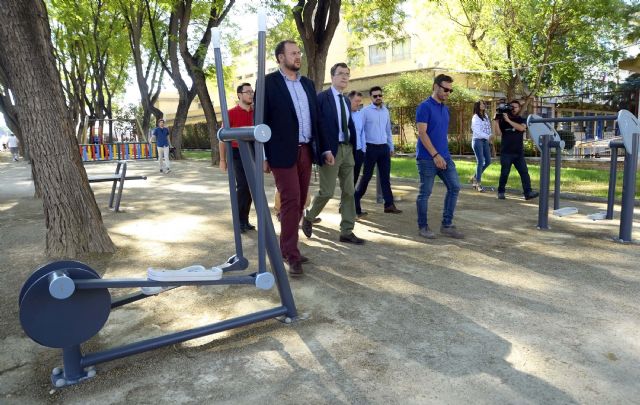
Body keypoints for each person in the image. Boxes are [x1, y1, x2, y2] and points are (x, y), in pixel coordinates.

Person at [263, 40, 334, 276]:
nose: (298, 56)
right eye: (293, 53)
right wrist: (263, 154)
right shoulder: (268, 83)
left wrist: (324, 149)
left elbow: (317, 120)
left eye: (299, 53)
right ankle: (292, 255)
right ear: (280, 58)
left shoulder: (307, 84)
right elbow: (260, 121)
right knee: (291, 199)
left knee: (301, 200)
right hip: (281, 152)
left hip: (305, 151)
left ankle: (286, 247)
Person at [301, 63, 364, 245]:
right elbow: (318, 127)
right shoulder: (322, 98)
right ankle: (309, 215)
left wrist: (354, 146)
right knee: (327, 191)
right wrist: (325, 150)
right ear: (332, 76)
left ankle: (347, 231)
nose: (344, 77)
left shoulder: (345, 100)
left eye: (347, 74)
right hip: (331, 151)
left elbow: (349, 125)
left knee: (349, 191)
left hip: (347, 150)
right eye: (341, 74)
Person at [415, 74, 464, 239]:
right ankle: (423, 227)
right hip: (427, 158)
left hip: (444, 157)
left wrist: (442, 155)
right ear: (436, 86)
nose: (448, 93)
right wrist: (435, 155)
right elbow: (422, 134)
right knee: (425, 193)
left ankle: (447, 225)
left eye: (451, 90)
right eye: (445, 89)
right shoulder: (424, 107)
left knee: (455, 186)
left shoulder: (445, 109)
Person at [354, 86, 402, 216]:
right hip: (370, 148)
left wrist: (391, 147)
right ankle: (354, 202)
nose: (378, 98)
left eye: (380, 95)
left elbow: (388, 131)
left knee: (385, 178)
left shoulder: (386, 111)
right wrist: (362, 148)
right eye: (375, 96)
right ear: (371, 97)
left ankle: (389, 205)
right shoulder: (365, 111)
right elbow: (360, 130)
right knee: (367, 177)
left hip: (384, 149)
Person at [219, 83, 256, 233]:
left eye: (252, 92)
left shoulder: (257, 113)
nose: (251, 94)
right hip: (236, 152)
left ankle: (245, 220)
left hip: (253, 152)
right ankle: (239, 220)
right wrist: (222, 160)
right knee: (242, 186)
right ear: (239, 95)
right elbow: (222, 138)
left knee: (252, 187)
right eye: (247, 92)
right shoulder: (231, 113)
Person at [493, 100, 539, 200]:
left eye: (516, 107)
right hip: (506, 153)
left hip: (518, 153)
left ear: (519, 109)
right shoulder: (502, 121)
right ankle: (501, 192)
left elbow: (522, 129)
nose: (513, 109)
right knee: (504, 173)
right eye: (512, 107)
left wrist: (509, 121)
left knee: (524, 173)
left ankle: (528, 193)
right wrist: (496, 121)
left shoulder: (522, 119)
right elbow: (498, 134)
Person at [470, 100, 492, 192]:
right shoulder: (475, 117)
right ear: (477, 106)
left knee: (488, 161)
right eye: (481, 104)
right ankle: (478, 184)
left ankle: (474, 177)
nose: (484, 105)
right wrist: (488, 136)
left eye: (484, 103)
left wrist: (490, 136)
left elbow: (488, 128)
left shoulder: (486, 116)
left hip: (485, 141)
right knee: (480, 161)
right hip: (477, 141)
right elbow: (477, 131)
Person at [347, 90, 367, 188]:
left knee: (354, 178)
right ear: (349, 100)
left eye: (360, 101)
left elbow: (362, 133)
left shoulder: (359, 115)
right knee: (346, 178)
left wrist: (363, 150)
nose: (358, 104)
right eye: (356, 101)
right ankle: (345, 200)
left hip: (358, 152)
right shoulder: (344, 115)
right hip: (347, 151)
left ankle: (349, 201)